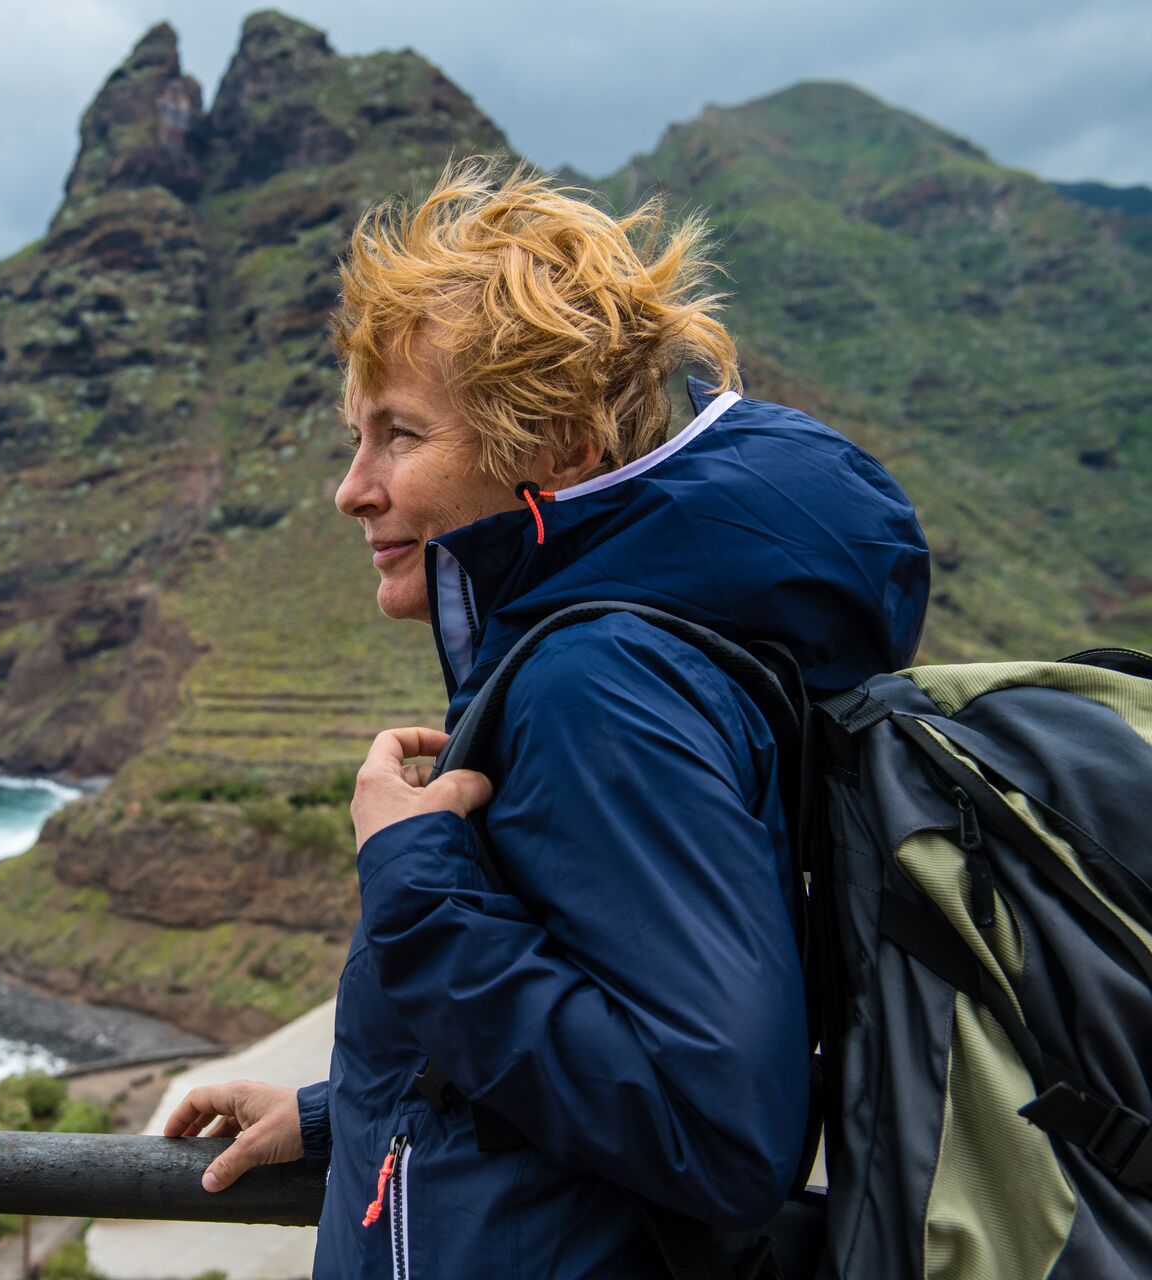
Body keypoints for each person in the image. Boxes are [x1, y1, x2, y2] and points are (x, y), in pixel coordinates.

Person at [163, 158, 929, 1276]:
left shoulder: (598, 684)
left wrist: (415, 876)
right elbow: (588, 1020)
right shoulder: (575, 657)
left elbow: (720, 1130)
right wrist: (352, 1112)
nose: (352, 486)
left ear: (555, 450)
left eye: (400, 436)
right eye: (354, 436)